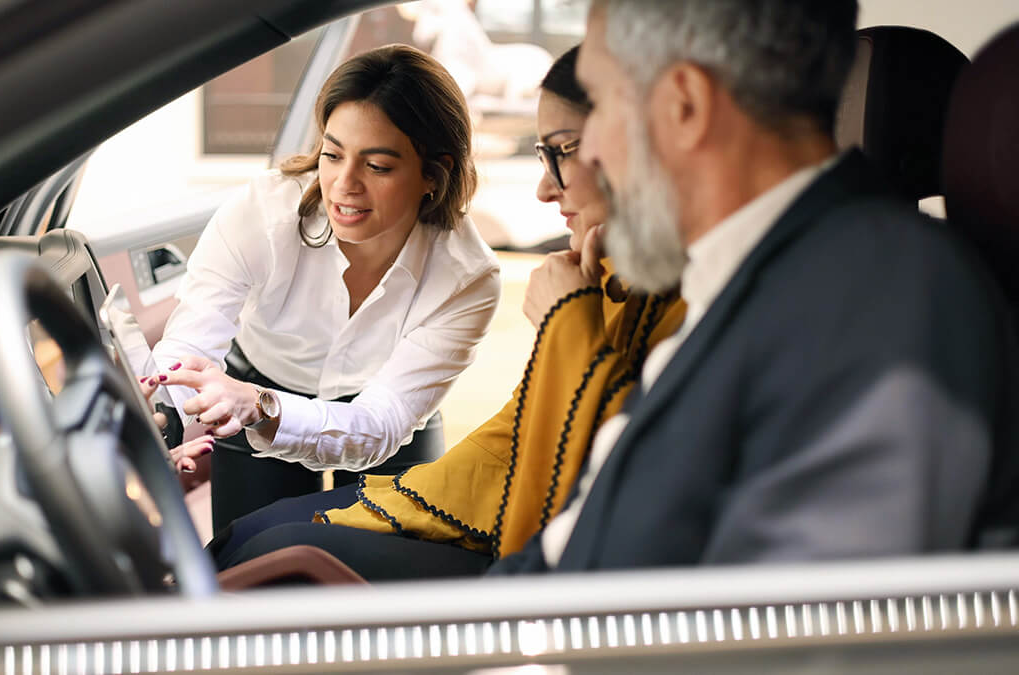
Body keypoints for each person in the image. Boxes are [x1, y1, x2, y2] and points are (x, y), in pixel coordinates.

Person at [489, 0, 1019, 573]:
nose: (590, 152)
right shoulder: (745, 281)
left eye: (603, 108)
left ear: (684, 105)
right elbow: (576, 550)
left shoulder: (876, 302)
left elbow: (802, 641)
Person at [208, 46, 687, 580]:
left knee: (268, 558)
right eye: (331, 154)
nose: (544, 188)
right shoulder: (616, 279)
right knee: (242, 539)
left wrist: (568, 319)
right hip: (480, 501)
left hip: (524, 547)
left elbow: (580, 477)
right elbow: (521, 436)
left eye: (563, 152)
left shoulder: (495, 278)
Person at [145, 44, 501, 532]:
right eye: (332, 155)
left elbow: (380, 425)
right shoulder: (263, 212)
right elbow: (190, 343)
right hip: (257, 387)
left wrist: (259, 404)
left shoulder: (467, 278)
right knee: (250, 569)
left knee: (388, 586)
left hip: (384, 416)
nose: (342, 185)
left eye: (377, 166)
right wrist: (161, 418)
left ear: (433, 176)